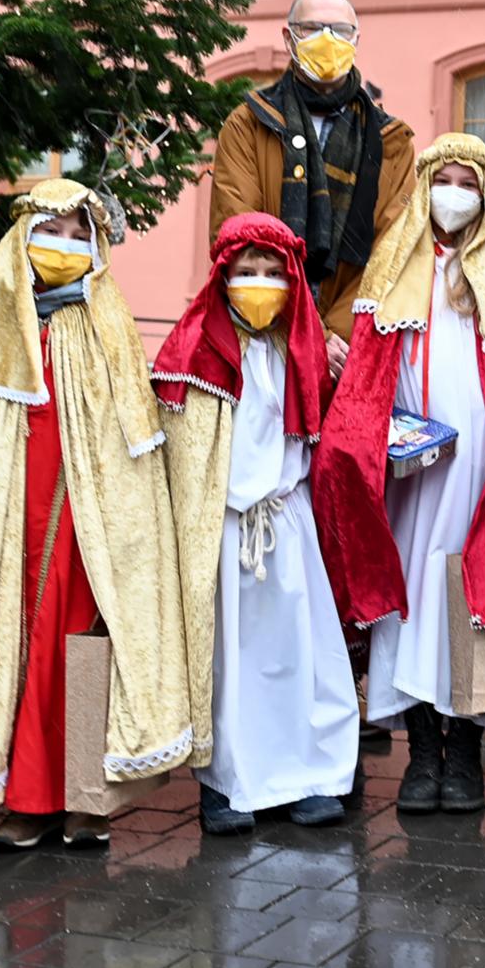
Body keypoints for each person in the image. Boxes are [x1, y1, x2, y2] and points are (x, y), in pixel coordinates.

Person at [0, 179, 190, 850]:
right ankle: (25, 799)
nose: (65, 245)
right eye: (51, 231)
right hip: (6, 516)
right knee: (12, 642)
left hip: (86, 520)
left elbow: (131, 433)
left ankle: (83, 798)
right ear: (23, 236)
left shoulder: (104, 322)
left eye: (80, 235)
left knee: (81, 645)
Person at [313, 134, 485, 817]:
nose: (454, 195)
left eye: (468, 183)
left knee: (465, 593)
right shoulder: (393, 261)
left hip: (477, 463)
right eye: (444, 180)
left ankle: (463, 749)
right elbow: (370, 368)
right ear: (425, 185)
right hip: (409, 467)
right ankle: (421, 750)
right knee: (410, 595)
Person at [154, 214, 355, 834]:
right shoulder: (193, 351)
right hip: (225, 528)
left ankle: (309, 776)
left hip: (287, 522)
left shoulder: (304, 350)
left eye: (273, 273)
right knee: (231, 663)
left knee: (298, 655)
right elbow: (180, 451)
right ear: (224, 275)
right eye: (248, 272)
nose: (261, 284)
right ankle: (228, 783)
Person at [208, 0, 418, 379]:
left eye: (340, 30)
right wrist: (311, 333)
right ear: (288, 38)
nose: (327, 40)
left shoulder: (390, 140)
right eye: (312, 28)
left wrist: (338, 335)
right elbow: (238, 234)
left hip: (349, 352)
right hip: (264, 334)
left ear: (356, 40)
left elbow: (393, 250)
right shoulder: (249, 123)